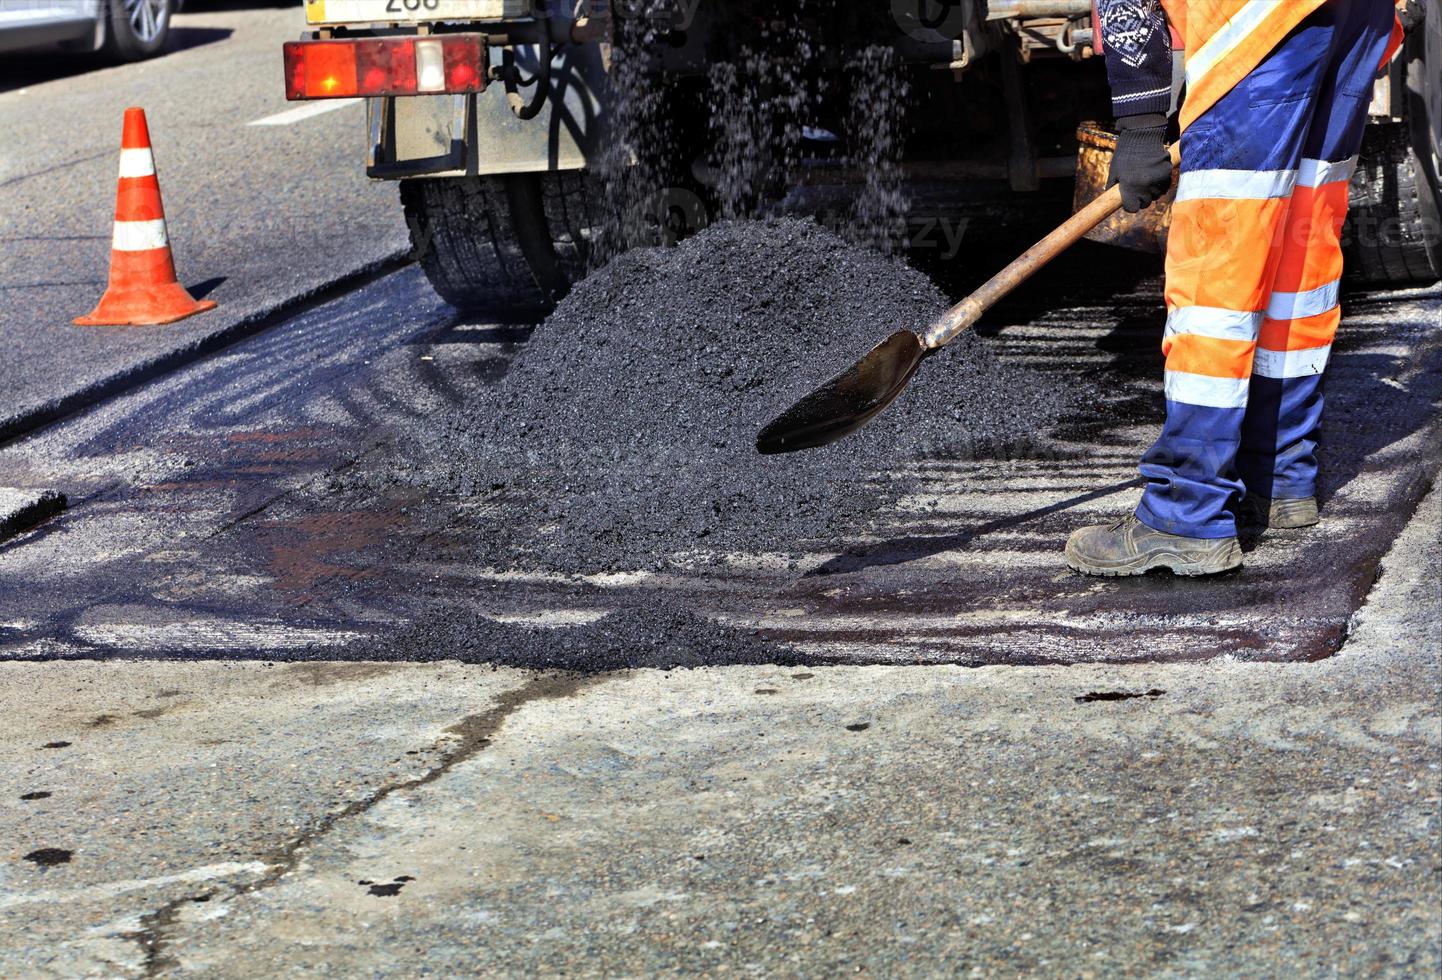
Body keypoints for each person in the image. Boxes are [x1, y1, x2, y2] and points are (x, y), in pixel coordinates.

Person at [1065, 0, 1409, 577]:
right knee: (1301, 247)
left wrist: (1141, 122)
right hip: (1356, 14)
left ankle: (1186, 512)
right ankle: (1278, 473)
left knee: (1217, 274)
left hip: (1258, 20)